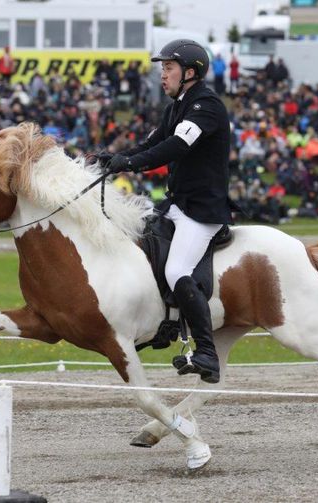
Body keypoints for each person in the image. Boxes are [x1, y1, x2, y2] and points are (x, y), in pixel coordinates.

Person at [104, 39, 232, 383]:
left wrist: (129, 163)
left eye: (169, 68)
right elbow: (152, 143)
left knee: (177, 270)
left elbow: (175, 147)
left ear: (190, 73)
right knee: (144, 248)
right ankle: (165, 325)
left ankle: (206, 351)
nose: (163, 75)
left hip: (202, 210)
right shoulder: (176, 106)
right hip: (178, 203)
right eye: (162, 69)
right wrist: (113, 159)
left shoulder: (205, 106)